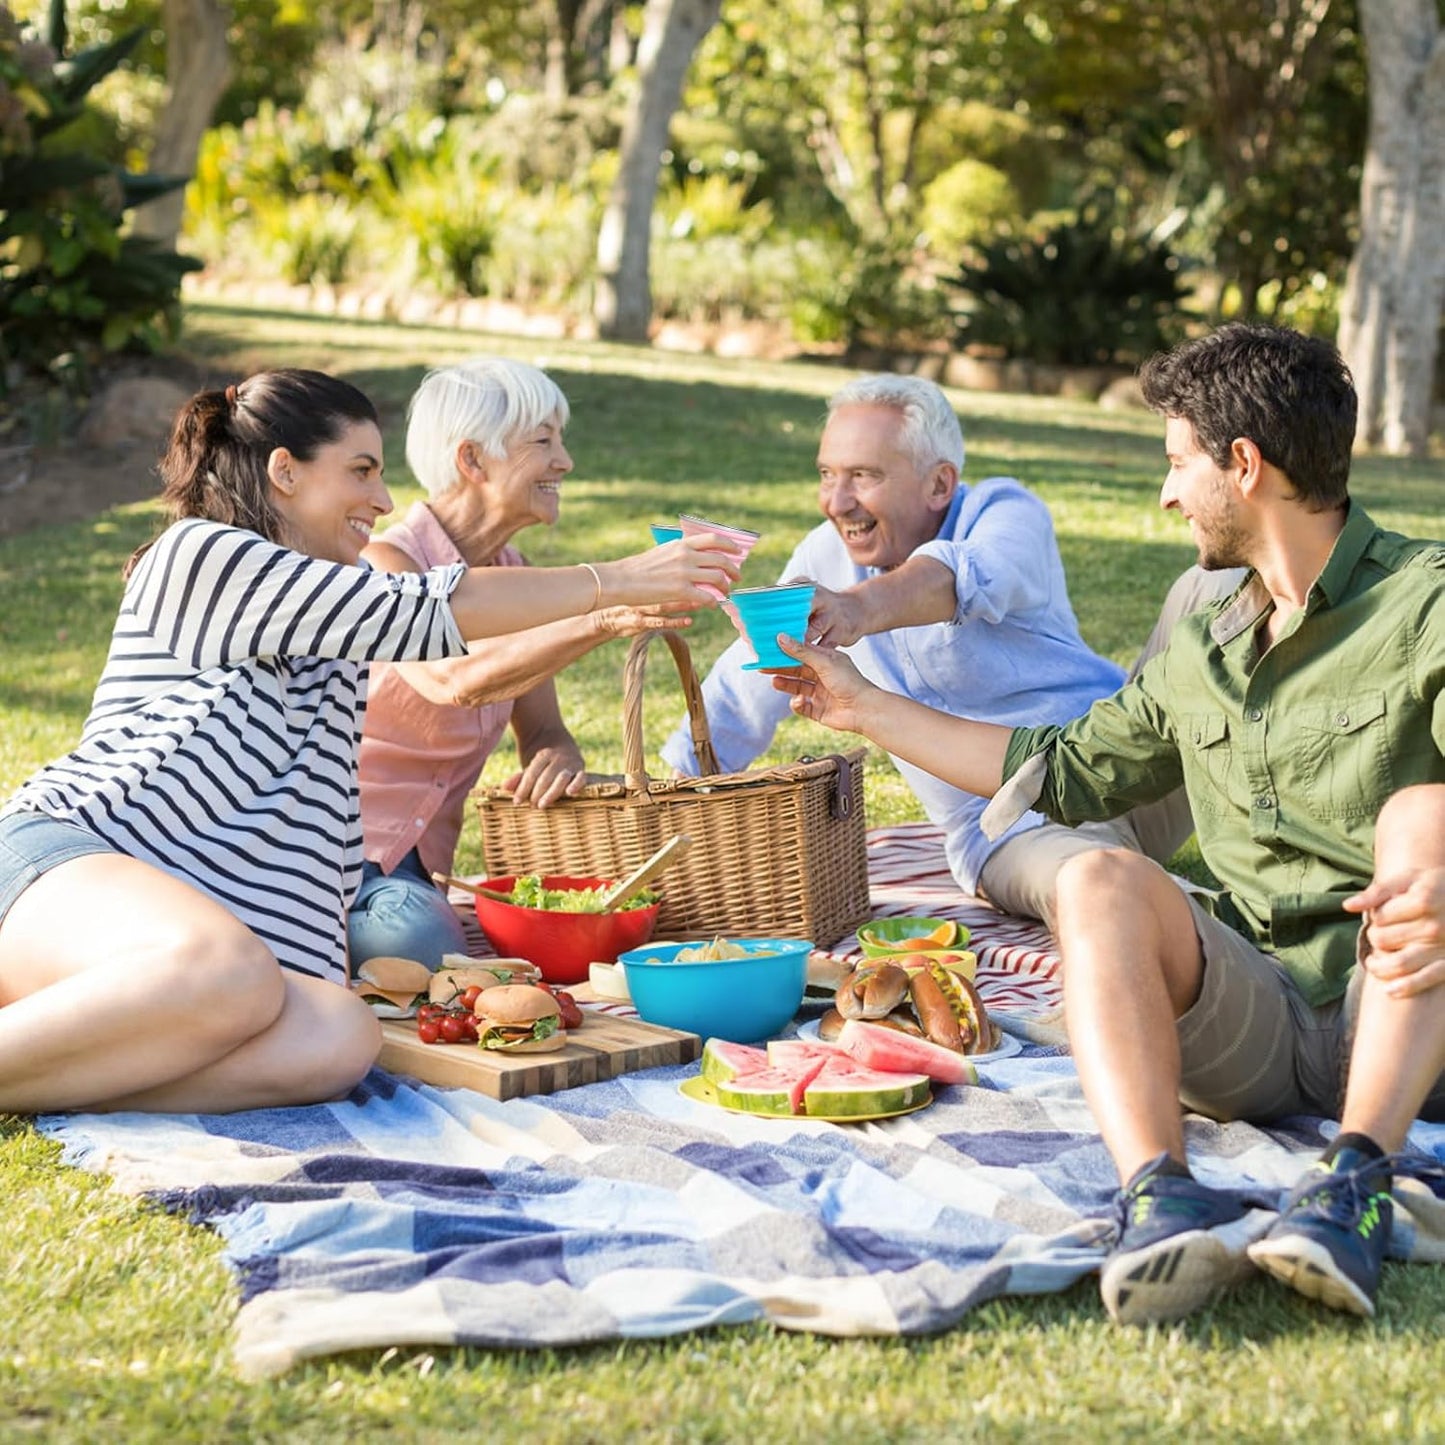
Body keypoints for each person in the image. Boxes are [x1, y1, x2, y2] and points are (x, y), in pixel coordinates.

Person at [769, 324, 1445, 1325]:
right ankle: (1158, 1197)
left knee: (1418, 812)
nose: (1166, 492)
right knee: (1093, 877)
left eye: (1177, 463)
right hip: (1258, 1009)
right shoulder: (1208, 628)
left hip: (1401, 1003)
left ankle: (1351, 1181)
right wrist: (857, 704)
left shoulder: (1424, 599)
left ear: (1243, 466)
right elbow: (1064, 767)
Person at [0, 369, 740, 1116]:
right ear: (284, 471)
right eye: (360, 470)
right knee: (232, 971)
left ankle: (53, 1063)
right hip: (64, 868)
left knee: (338, 1032)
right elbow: (424, 609)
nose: (383, 500)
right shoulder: (201, 555)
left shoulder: (336, 652)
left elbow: (318, 856)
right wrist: (614, 580)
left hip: (178, 958)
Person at [661, 372, 1233, 927]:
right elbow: (745, 687)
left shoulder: (1006, 513)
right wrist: (667, 795)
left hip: (1129, 761)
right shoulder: (822, 559)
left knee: (1218, 584)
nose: (837, 501)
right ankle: (1236, 937)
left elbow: (961, 577)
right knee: (1104, 891)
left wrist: (856, 608)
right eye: (827, 474)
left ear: (939, 483)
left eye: (863, 475)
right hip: (1012, 828)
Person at [349, 357, 693, 970]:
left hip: (423, 867)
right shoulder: (386, 565)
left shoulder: (515, 573)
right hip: (345, 852)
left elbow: (542, 730)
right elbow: (452, 678)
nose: (565, 461)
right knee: (420, 951)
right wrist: (604, 615)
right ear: (472, 460)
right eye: (543, 441)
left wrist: (556, 755)